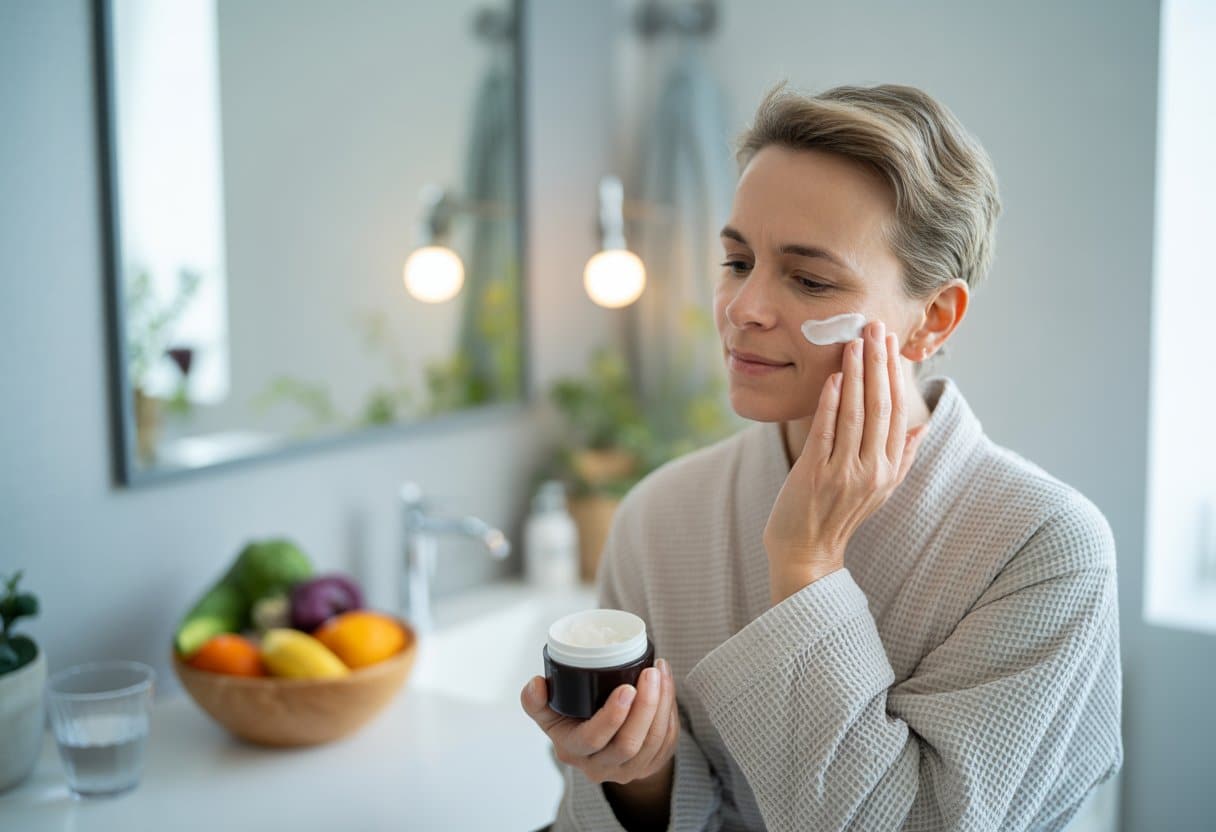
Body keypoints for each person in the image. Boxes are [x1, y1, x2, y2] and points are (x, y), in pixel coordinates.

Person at [521, 84, 1122, 832]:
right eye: (738, 261)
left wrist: (806, 564)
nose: (744, 308)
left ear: (932, 317)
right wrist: (641, 776)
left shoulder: (1044, 550)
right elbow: (627, 810)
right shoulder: (660, 517)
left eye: (808, 279)